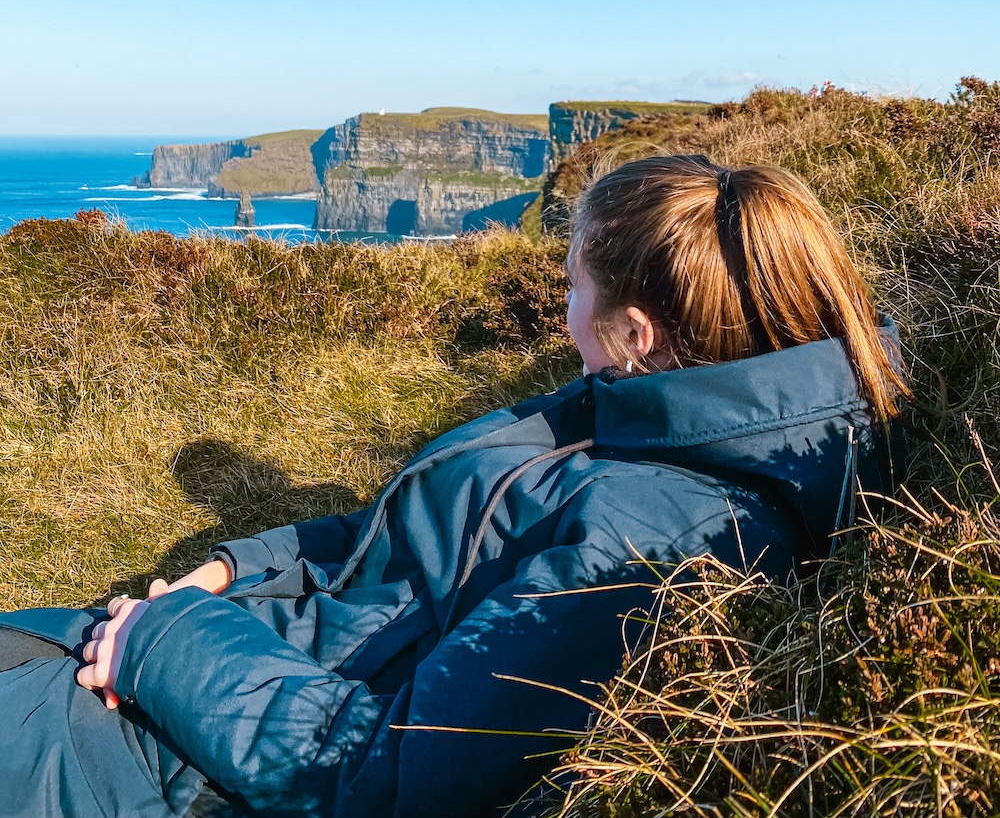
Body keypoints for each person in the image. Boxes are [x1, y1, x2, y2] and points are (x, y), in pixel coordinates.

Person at [0, 156, 908, 818]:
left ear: (636, 329)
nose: (561, 312)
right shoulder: (641, 405)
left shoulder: (652, 544)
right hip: (238, 654)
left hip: (196, 761)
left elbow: (383, 780)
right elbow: (412, 529)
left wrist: (168, 640)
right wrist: (238, 568)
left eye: (571, 288)